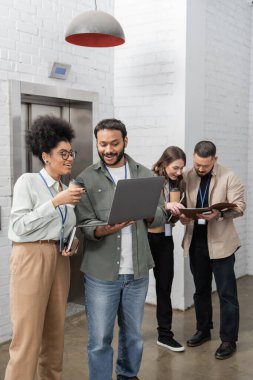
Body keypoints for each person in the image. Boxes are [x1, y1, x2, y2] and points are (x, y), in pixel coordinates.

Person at [75, 118, 165, 380]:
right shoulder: (86, 178)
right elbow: (85, 224)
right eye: (102, 144)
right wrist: (105, 228)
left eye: (114, 143)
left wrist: (149, 214)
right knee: (101, 338)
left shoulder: (145, 174)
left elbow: (160, 216)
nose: (108, 149)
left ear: (125, 141)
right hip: (101, 275)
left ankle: (127, 375)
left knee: (133, 335)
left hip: (137, 272)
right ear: (96, 144)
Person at [5, 115, 85, 380]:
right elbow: (17, 228)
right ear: (45, 155)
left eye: (71, 152)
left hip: (59, 260)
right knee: (27, 337)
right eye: (63, 153)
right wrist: (55, 203)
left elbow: (64, 227)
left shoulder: (65, 189)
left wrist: (71, 243)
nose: (69, 158)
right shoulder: (28, 182)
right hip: (30, 256)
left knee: (55, 334)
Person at [180, 140, 245, 360]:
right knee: (200, 290)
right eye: (197, 164)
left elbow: (240, 207)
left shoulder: (229, 177)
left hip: (222, 244)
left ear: (215, 160)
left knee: (227, 294)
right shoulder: (188, 175)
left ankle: (228, 340)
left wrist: (219, 214)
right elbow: (181, 201)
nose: (199, 169)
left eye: (205, 166)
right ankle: (203, 329)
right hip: (196, 241)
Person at [148, 146, 186, 352]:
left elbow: (174, 218)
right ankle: (129, 332)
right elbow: (143, 210)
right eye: (175, 168)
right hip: (145, 238)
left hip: (165, 239)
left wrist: (181, 216)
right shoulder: (149, 180)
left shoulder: (176, 184)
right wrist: (165, 208)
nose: (179, 172)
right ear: (164, 163)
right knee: (135, 288)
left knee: (164, 287)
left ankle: (165, 334)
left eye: (181, 168)